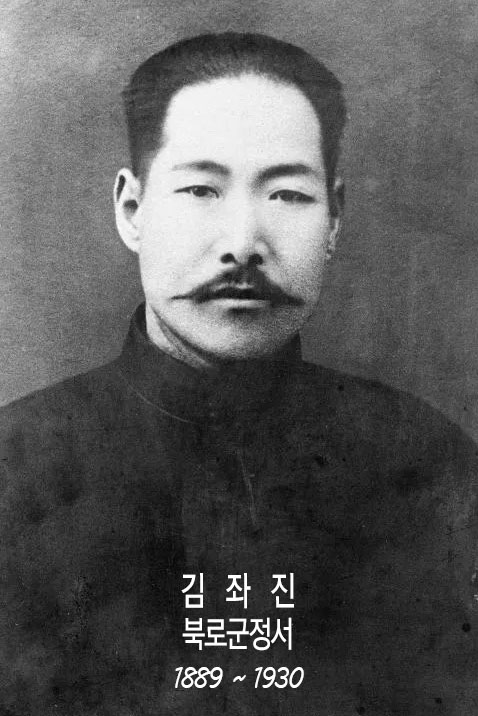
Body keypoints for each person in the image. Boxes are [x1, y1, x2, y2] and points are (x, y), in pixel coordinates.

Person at [0, 32, 477, 716]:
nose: (243, 243)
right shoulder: (17, 468)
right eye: (201, 189)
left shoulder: (428, 463)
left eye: (286, 194)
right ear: (132, 210)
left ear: (335, 218)